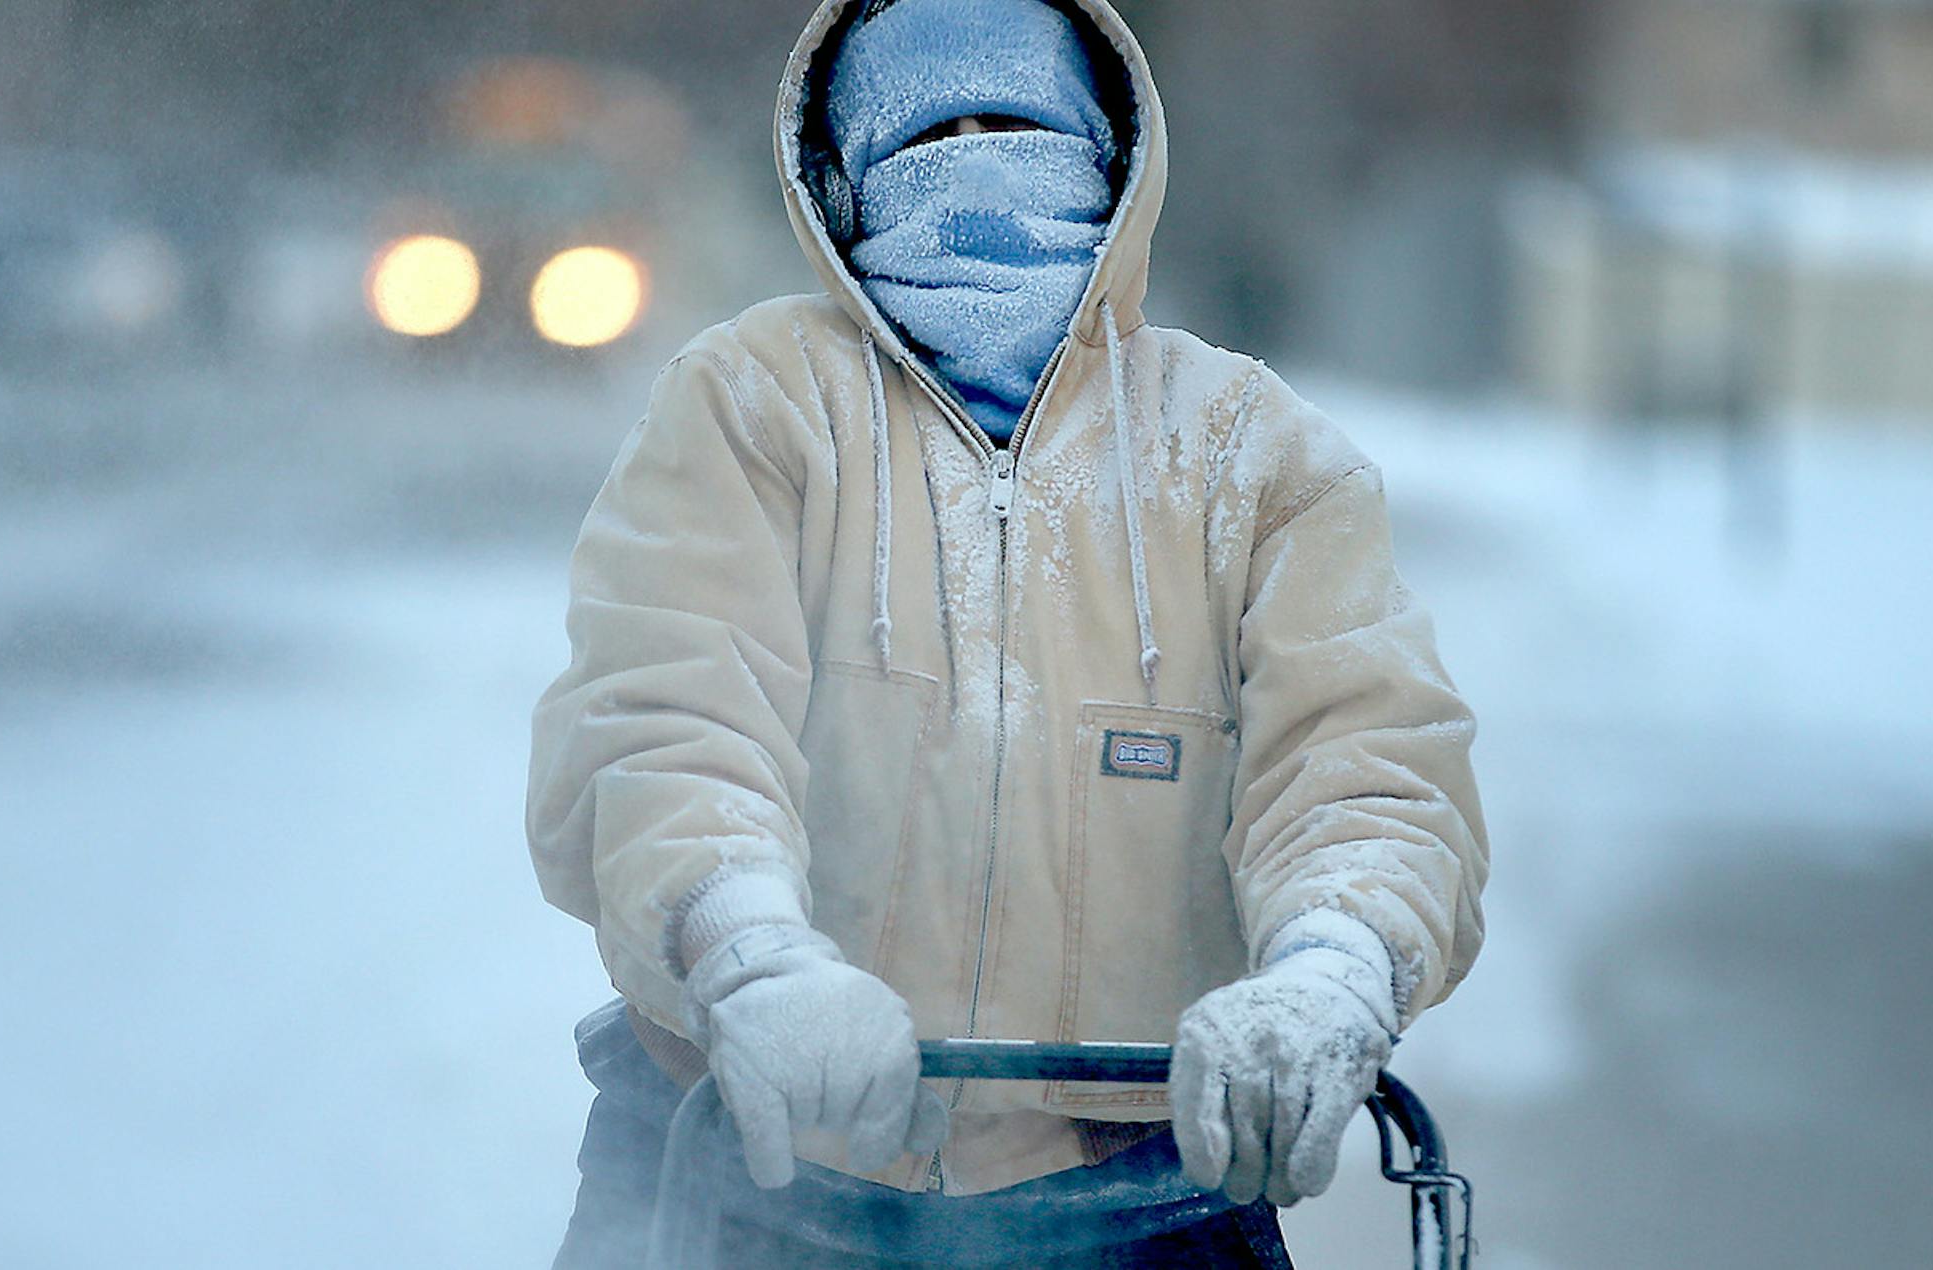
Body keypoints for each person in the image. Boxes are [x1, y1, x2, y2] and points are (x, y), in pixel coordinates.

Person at [526, 0, 1489, 1264]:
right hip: (756, 1178)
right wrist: (749, 955)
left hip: (1142, 1203)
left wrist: (1333, 968)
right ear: (842, 179)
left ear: (1109, 159)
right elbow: (661, 721)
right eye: (928, 135)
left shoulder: (1251, 456)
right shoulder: (754, 407)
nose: (978, 166)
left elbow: (1367, 764)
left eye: (1022, 127)